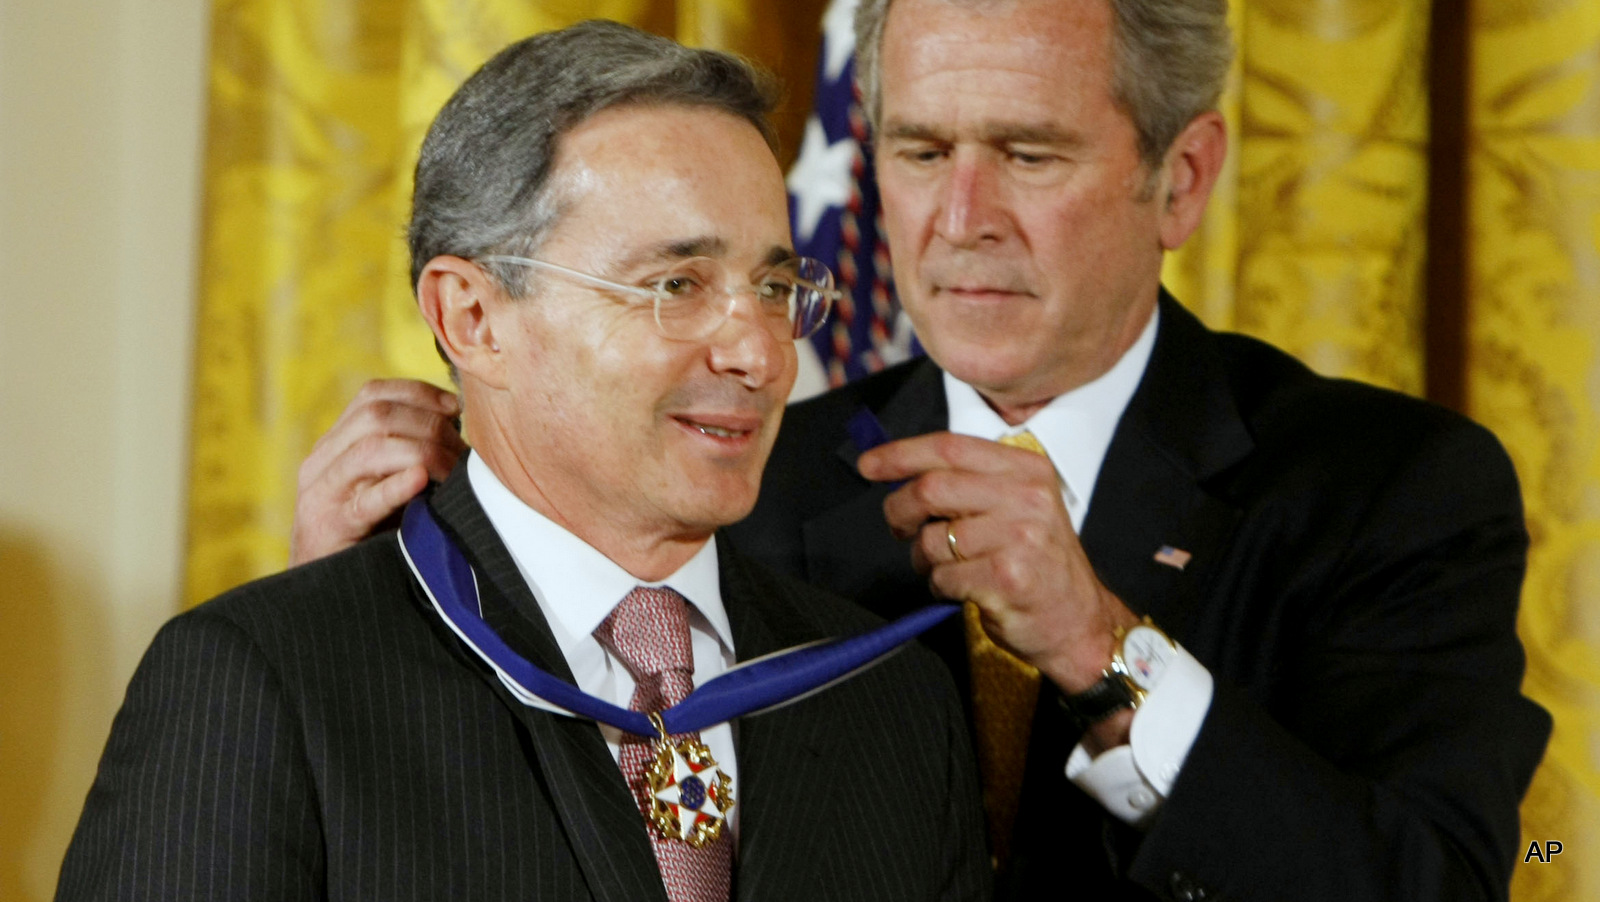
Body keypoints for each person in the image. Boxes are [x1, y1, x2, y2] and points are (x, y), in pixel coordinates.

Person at [289, 2, 1551, 900]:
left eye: (1027, 153)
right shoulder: (736, 475)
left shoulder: (1389, 488)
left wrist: (1101, 644)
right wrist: (379, 619)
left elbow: (1427, 879)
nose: (959, 220)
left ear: (1180, 179)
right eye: (920, 150)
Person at [57, 21, 989, 902]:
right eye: (676, 285)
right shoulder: (267, 687)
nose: (760, 354)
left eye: (775, 287)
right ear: (473, 317)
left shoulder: (893, 705)